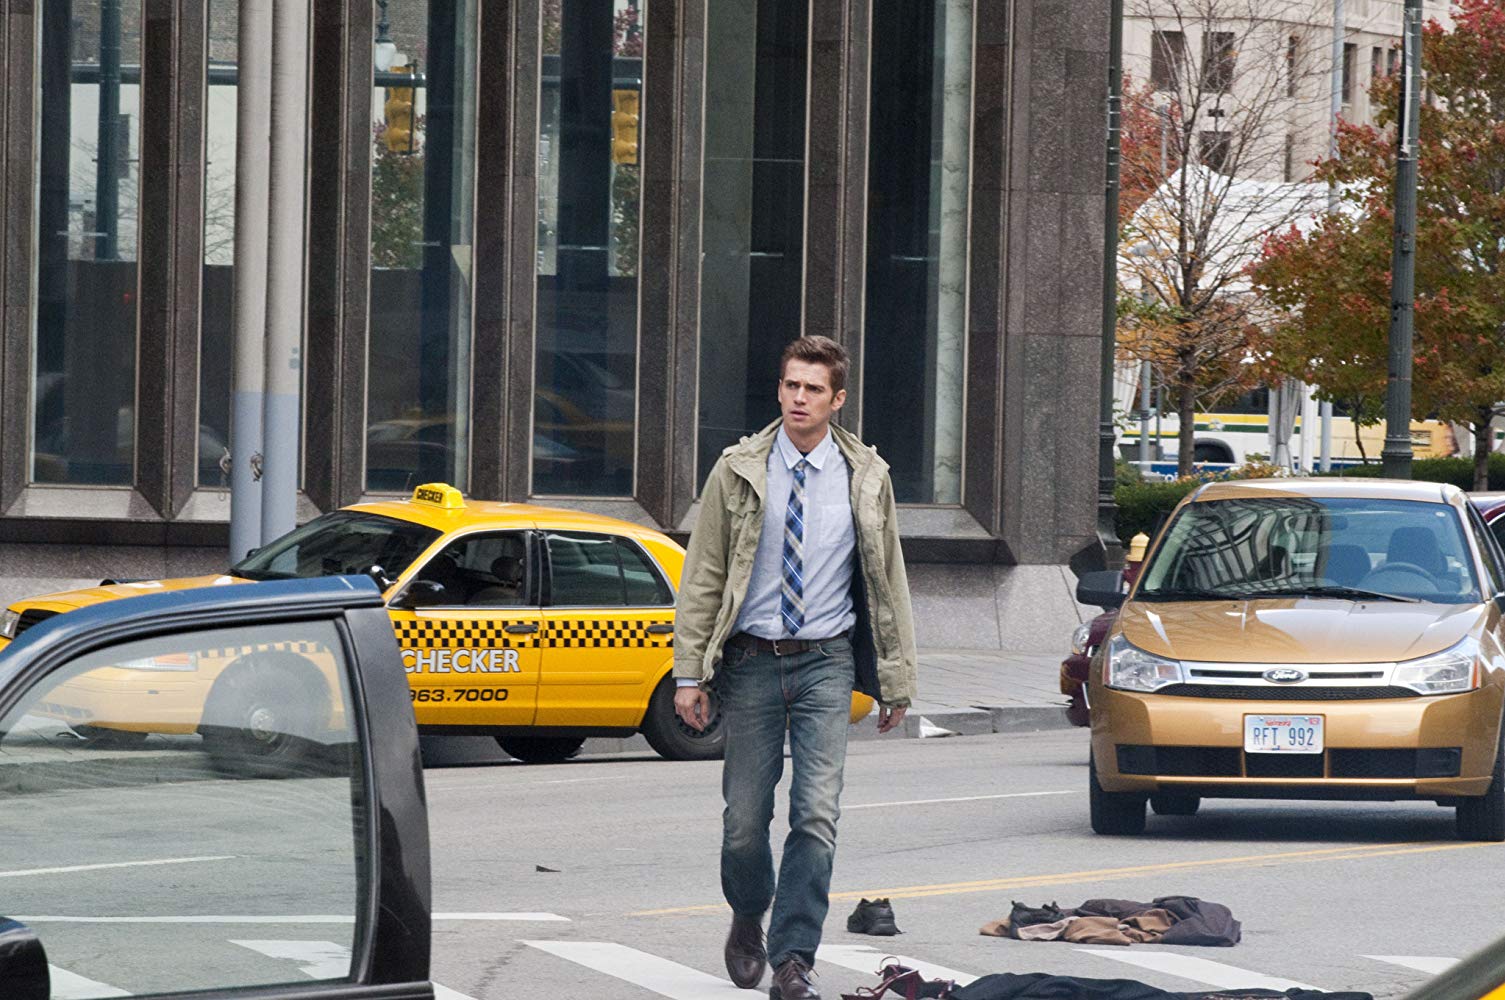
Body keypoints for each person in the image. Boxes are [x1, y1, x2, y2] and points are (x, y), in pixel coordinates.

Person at [673, 336, 918, 1000]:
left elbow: (887, 579)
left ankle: (793, 958)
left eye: (812, 389)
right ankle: (748, 910)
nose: (798, 399)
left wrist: (895, 678)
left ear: (836, 400)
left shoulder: (866, 476)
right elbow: (703, 575)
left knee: (815, 814)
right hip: (752, 660)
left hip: (825, 662)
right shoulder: (738, 469)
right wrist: (689, 672)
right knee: (744, 820)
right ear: (778, 391)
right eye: (790, 386)